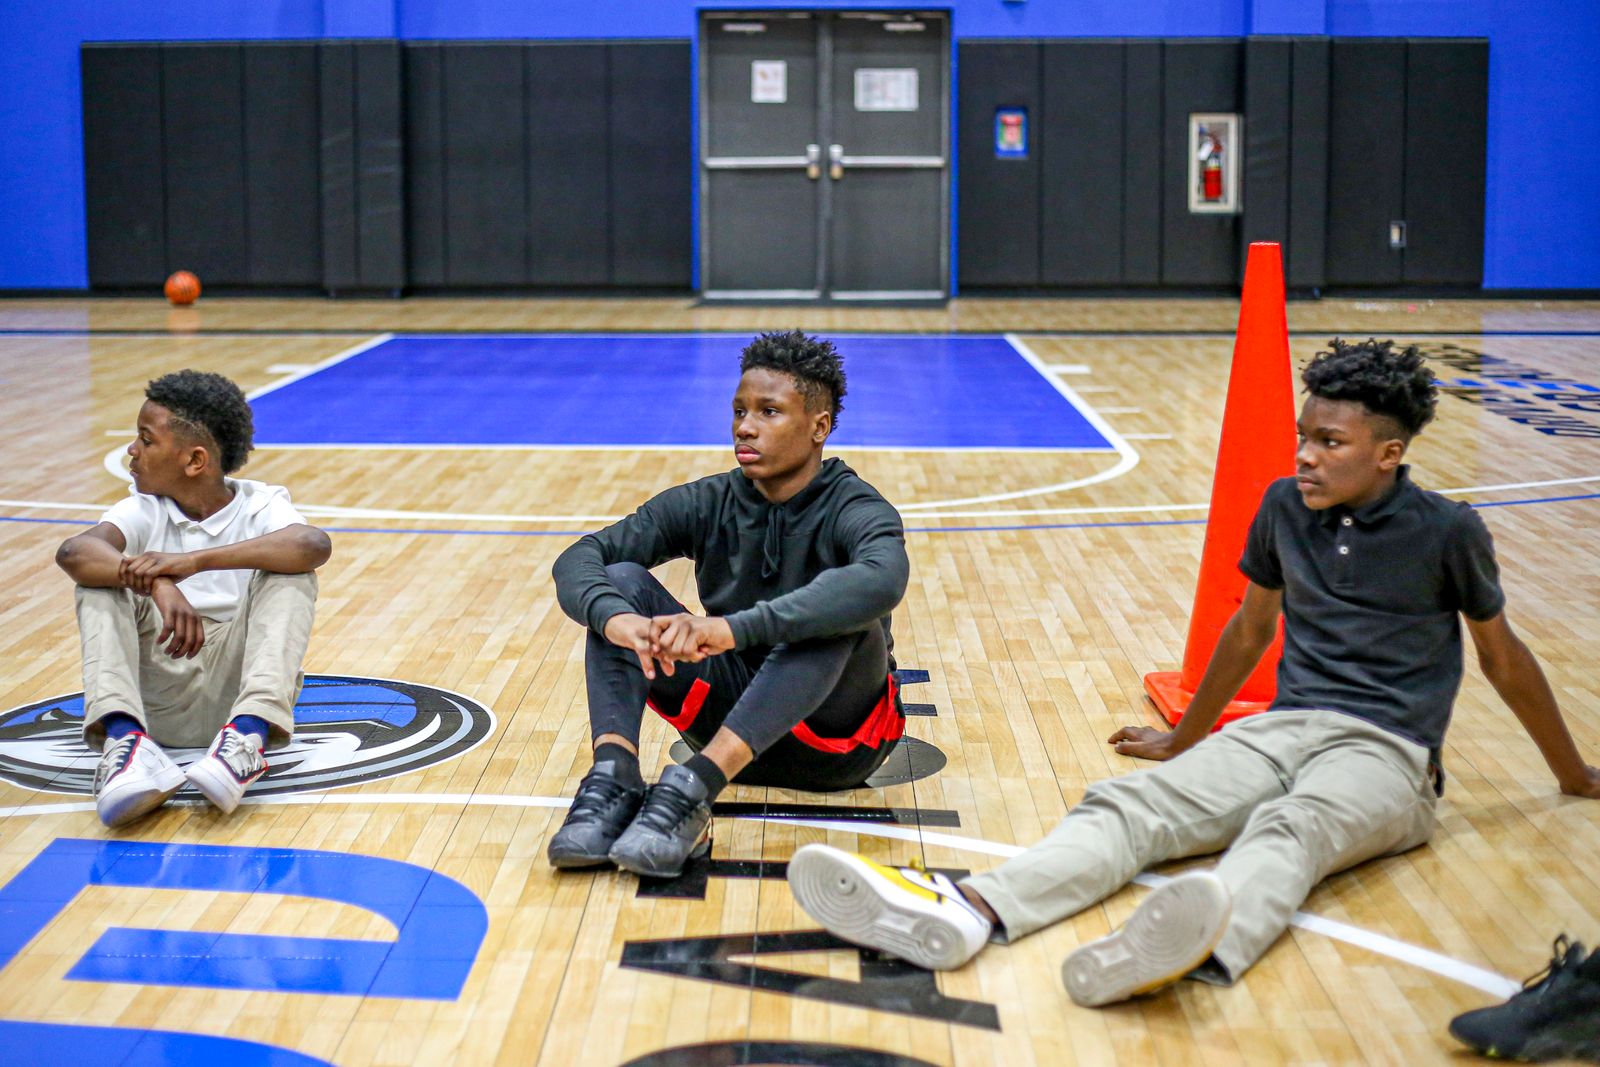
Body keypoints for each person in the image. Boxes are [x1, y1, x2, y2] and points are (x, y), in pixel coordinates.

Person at [788, 338, 1600, 1008]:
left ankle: (1189, 952)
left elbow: (1504, 659)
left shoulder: (1449, 530)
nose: (1306, 457)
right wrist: (1185, 735)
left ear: (1390, 453)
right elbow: (1249, 632)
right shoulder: (1286, 506)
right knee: (1129, 802)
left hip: (1387, 754)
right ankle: (972, 909)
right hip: (1280, 727)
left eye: (1330, 444)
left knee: (1293, 828)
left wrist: (1571, 772)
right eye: (1302, 438)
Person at [549, 330, 909, 879]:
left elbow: (883, 581)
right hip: (727, 720)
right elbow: (583, 557)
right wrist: (614, 618)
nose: (744, 426)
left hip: (835, 745)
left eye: (769, 411)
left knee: (839, 611)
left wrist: (732, 630)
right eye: (740, 410)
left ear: (820, 427)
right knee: (620, 579)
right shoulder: (708, 500)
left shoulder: (856, 506)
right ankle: (613, 776)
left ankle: (693, 791)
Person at [56, 370, 330, 827]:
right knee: (97, 579)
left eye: (146, 439)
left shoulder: (262, 504)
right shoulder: (141, 507)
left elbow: (313, 545)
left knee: (292, 576)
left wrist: (192, 562)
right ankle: (127, 745)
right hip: (157, 694)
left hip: (236, 690)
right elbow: (74, 552)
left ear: (195, 460)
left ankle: (245, 740)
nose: (132, 450)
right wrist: (158, 583)